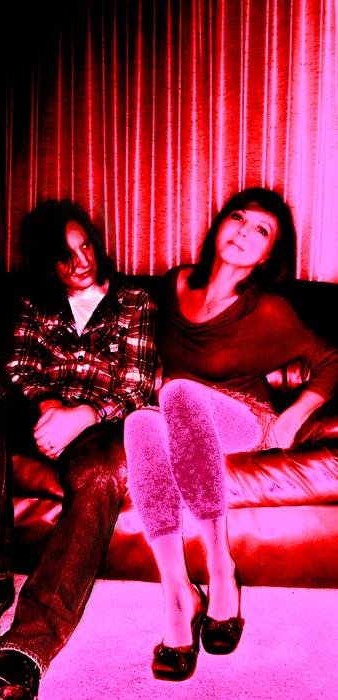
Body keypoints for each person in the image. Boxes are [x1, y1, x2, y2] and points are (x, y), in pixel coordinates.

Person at [124, 187, 338, 682]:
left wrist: (296, 413)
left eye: (260, 231)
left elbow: (332, 359)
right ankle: (178, 594)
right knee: (140, 422)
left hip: (245, 419)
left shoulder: (269, 311)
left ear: (267, 257)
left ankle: (222, 571)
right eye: (237, 218)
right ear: (219, 224)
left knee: (178, 394)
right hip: (178, 417)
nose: (243, 231)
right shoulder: (176, 284)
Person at [0, 199, 157, 699]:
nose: (82, 261)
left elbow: (137, 387)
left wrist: (82, 416)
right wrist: (48, 406)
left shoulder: (135, 301)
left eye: (86, 246)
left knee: (105, 470)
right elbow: (19, 366)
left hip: (100, 425)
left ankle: (23, 652)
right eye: (66, 255)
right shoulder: (34, 301)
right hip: (40, 414)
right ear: (46, 263)